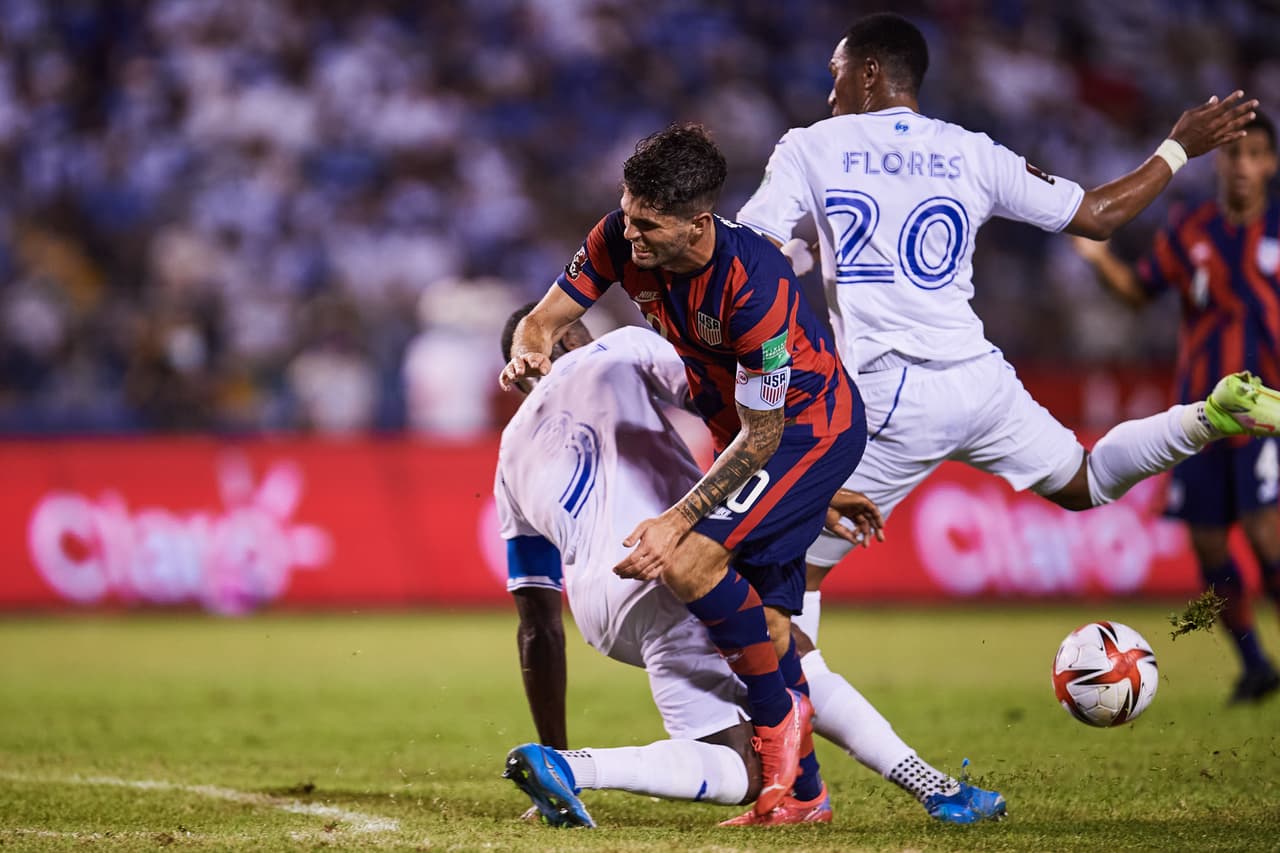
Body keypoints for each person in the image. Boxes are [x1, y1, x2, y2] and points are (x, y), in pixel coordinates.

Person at [733, 13, 1280, 712]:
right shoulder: (972, 150)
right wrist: (1176, 148)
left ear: (870, 72)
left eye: (837, 74)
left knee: (784, 573)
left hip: (891, 391)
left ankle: (795, 760)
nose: (829, 90)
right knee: (1084, 481)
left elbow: (751, 255)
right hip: (980, 377)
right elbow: (1102, 214)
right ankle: (1208, 415)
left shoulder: (812, 145)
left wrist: (791, 282)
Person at [494, 307, 1005, 827]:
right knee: (791, 652)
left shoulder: (508, 455)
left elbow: (537, 627)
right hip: (670, 561)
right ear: (574, 334)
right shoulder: (617, 349)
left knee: (745, 770)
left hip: (603, 615)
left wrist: (553, 741)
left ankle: (562, 766)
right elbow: (730, 412)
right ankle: (937, 789)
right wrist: (805, 484)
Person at [499, 124, 867, 821]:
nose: (628, 234)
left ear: (697, 224)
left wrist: (678, 518)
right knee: (772, 625)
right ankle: (807, 795)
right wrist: (530, 353)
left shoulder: (756, 287)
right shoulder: (617, 236)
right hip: (750, 431)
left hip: (809, 427)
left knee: (692, 562)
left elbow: (766, 435)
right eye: (627, 212)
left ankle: (777, 731)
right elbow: (541, 322)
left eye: (647, 224)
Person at [1073, 113, 1280, 703]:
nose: (1242, 166)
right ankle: (1255, 664)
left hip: (1266, 412)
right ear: (1220, 160)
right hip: (1198, 415)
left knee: (1267, 538)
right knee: (1210, 549)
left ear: (1270, 164)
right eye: (1234, 154)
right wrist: (1096, 259)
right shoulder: (1191, 228)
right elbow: (1140, 291)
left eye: (1255, 154)